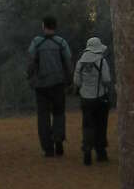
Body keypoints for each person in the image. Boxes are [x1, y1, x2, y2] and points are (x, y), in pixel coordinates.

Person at [26, 14, 73, 156]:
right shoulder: (61, 43)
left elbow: (30, 62)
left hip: (41, 86)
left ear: (43, 26)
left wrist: (29, 77)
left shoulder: (36, 42)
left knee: (43, 117)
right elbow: (68, 62)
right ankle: (58, 140)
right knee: (59, 114)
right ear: (55, 26)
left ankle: (48, 148)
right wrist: (69, 80)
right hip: (58, 84)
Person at [73, 35, 114, 165]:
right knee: (101, 125)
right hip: (100, 97)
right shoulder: (102, 61)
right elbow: (107, 80)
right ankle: (101, 152)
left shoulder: (80, 62)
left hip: (85, 99)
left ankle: (87, 149)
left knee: (87, 125)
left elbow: (76, 82)